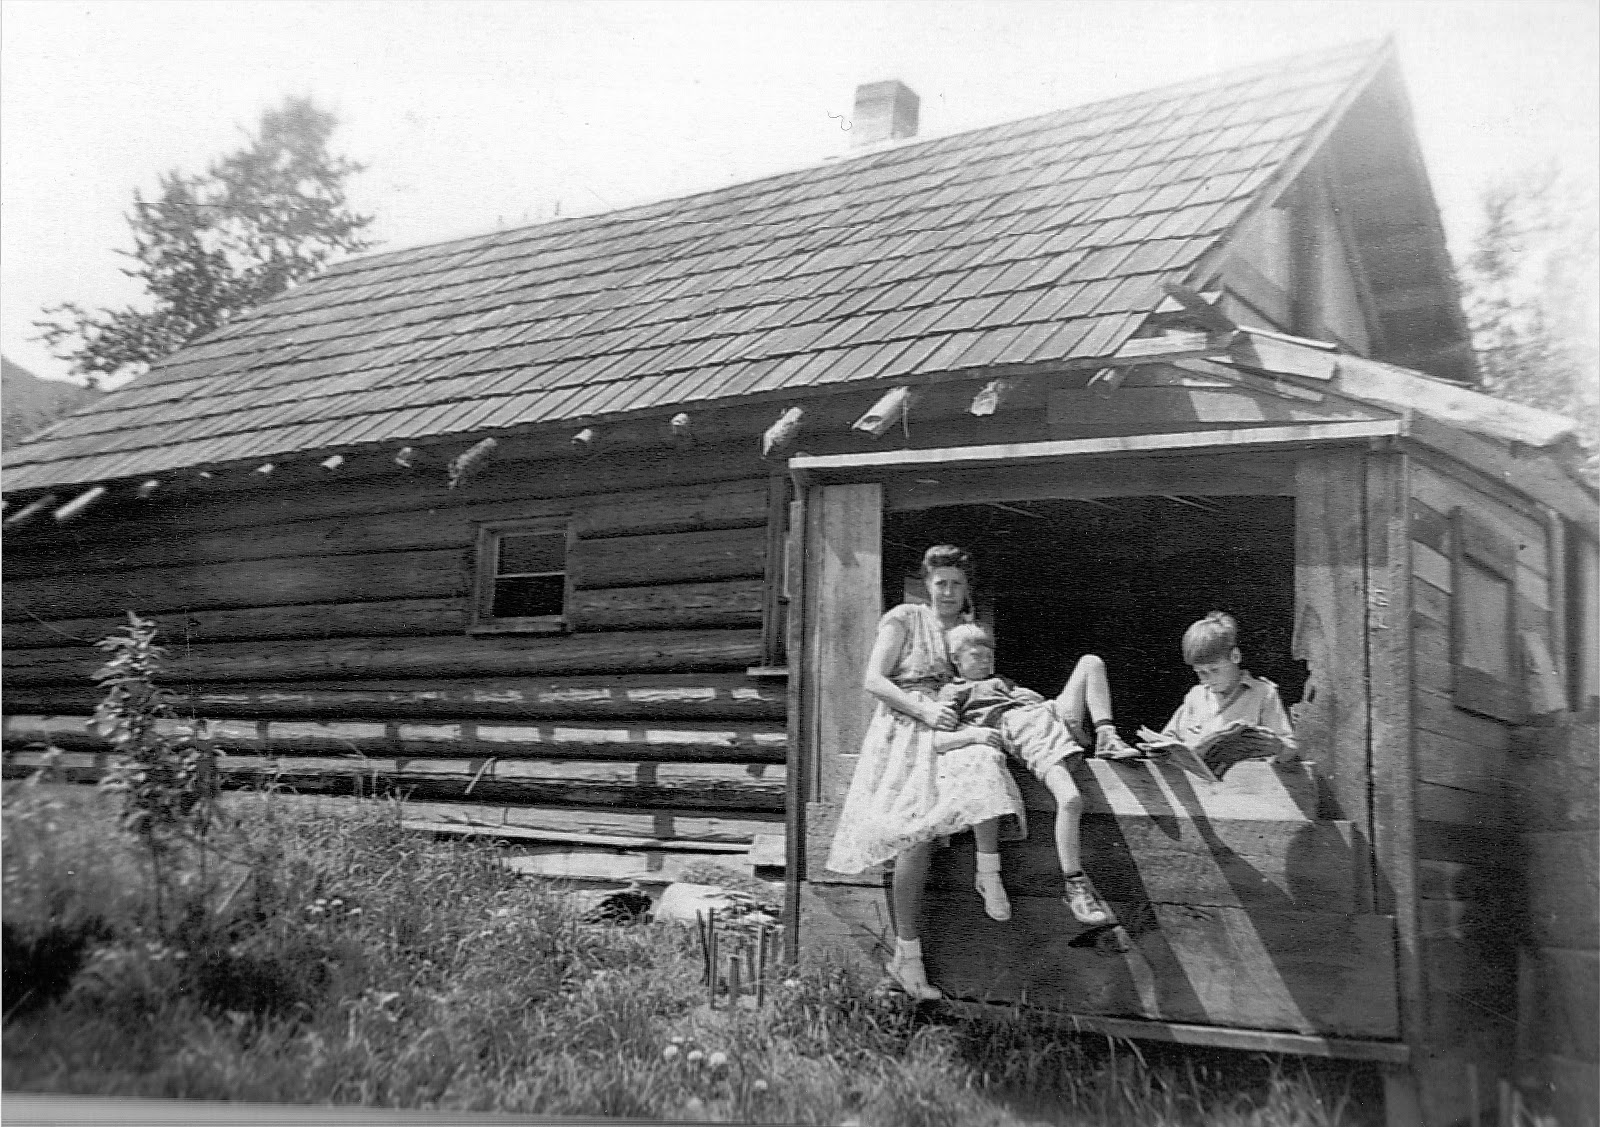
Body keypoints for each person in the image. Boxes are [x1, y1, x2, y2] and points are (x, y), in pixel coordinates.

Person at [824, 545, 1028, 1001]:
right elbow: (873, 680)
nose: (949, 592)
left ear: (967, 587)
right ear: (927, 585)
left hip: (955, 725)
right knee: (915, 835)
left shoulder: (971, 631)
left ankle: (988, 872)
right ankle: (907, 958)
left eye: (957, 583)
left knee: (985, 765)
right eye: (941, 584)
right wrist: (924, 709)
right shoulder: (905, 618)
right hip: (907, 726)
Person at [939, 623, 1116, 927]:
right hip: (1023, 729)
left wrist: (1031, 698)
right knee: (1071, 799)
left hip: (1046, 713)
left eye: (989, 654)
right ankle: (1074, 884)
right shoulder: (953, 691)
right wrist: (977, 735)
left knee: (1090, 663)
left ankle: (1107, 734)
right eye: (977, 655)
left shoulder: (1002, 682)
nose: (986, 660)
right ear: (956, 659)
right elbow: (937, 740)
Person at [1142, 611, 1298, 768]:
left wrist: (1279, 747)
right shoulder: (1195, 697)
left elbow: (1291, 749)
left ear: (1235, 656)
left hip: (1247, 787)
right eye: (1200, 672)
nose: (1207, 679)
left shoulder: (1263, 694)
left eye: (1214, 670)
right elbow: (1168, 739)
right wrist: (1158, 751)